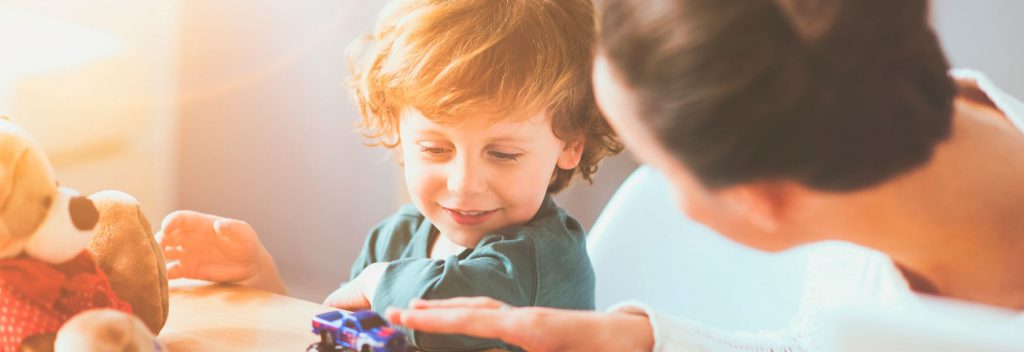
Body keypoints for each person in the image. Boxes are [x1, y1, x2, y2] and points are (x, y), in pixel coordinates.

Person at [386, 0, 1024, 350]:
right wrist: (635, 341)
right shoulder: (862, 128)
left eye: (657, 165)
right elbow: (826, 343)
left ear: (762, 201)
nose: (652, 193)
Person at [157, 0, 622, 350]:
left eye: (502, 154)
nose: (463, 183)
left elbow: (437, 313)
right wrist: (262, 285)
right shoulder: (396, 237)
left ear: (570, 144)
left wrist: (373, 282)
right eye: (435, 148)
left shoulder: (546, 260)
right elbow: (344, 332)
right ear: (397, 132)